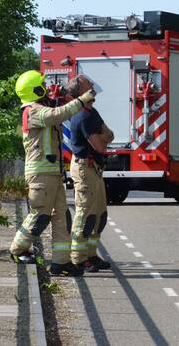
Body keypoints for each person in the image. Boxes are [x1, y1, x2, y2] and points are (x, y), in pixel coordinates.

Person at [10, 70, 96, 276]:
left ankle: (61, 262)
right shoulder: (32, 111)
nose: (47, 88)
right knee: (40, 215)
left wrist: (68, 99)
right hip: (41, 174)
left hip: (51, 173)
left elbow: (57, 110)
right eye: (43, 85)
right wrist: (82, 100)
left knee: (60, 218)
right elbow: (57, 115)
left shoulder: (40, 108)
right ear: (35, 90)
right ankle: (17, 249)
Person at [66, 75, 114, 272]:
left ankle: (91, 255)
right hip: (85, 168)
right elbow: (101, 146)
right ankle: (78, 258)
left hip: (95, 169)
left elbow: (110, 135)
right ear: (80, 91)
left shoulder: (92, 112)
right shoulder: (83, 116)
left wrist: (104, 137)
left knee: (99, 215)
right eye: (88, 84)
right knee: (85, 215)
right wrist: (104, 138)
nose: (93, 86)